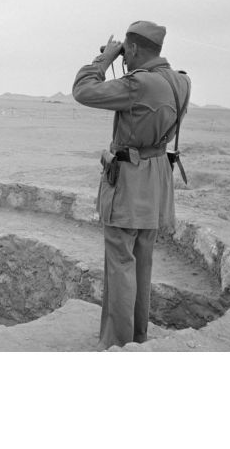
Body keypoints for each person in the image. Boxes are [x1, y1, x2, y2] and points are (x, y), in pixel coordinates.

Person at [72, 21, 191, 349]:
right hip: (155, 182)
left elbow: (83, 90)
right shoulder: (180, 81)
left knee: (120, 266)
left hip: (129, 184)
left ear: (134, 48)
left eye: (127, 50)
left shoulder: (140, 84)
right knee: (142, 264)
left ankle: (117, 343)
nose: (125, 57)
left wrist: (105, 59)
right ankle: (138, 339)